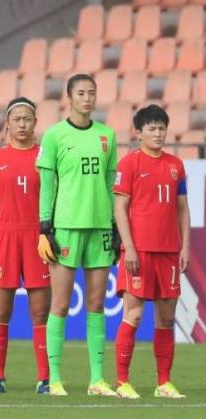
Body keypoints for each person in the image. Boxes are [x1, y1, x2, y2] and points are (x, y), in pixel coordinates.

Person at [36, 73, 119, 396]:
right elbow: (47, 186)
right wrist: (45, 228)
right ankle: (54, 378)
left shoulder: (107, 135)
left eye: (92, 93)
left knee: (96, 304)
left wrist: (115, 225)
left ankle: (96, 379)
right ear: (69, 98)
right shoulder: (55, 135)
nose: (87, 98)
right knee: (60, 304)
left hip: (100, 227)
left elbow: (110, 185)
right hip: (66, 227)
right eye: (81, 93)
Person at [113, 105, 190, 399]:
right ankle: (122, 382)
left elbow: (182, 209)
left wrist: (184, 246)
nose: (158, 133)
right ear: (139, 132)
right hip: (139, 251)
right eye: (152, 128)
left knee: (166, 319)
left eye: (162, 128)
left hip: (168, 252)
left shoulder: (176, 165)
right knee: (133, 315)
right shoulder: (129, 164)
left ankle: (164, 383)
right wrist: (129, 247)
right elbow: (119, 208)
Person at [0, 97, 50, 394]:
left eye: (27, 119)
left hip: (37, 239)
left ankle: (45, 378)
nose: (22, 124)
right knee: (0, 310)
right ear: (7, 123)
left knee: (40, 313)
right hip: (4, 238)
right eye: (17, 119)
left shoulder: (46, 157)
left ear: (35, 122)